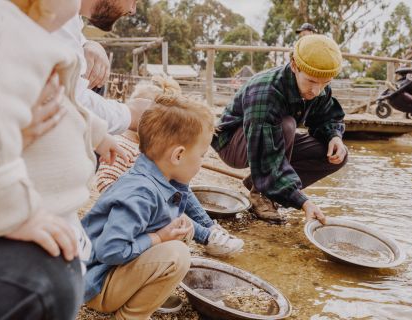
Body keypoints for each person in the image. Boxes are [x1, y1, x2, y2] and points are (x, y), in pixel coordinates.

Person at [0, 0, 127, 318]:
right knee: (50, 279)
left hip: (47, 207)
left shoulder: (33, 36)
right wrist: (13, 213)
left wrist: (99, 134)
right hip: (21, 209)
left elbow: (65, 105)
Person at [82, 93, 221, 319]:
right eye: (202, 155)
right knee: (177, 255)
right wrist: (159, 238)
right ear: (178, 155)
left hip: (103, 274)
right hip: (95, 282)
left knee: (175, 241)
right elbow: (111, 249)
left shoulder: (161, 180)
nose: (202, 162)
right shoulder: (142, 192)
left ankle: (135, 295)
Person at [94, 76, 244, 257]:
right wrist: (156, 235)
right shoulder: (125, 152)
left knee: (179, 191)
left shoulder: (150, 155)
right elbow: (105, 181)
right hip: (135, 215)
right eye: (201, 155)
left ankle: (211, 228)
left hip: (146, 204)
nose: (202, 161)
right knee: (169, 213)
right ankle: (206, 235)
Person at [212, 35, 348, 224]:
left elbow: (328, 116)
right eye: (311, 81)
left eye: (324, 83)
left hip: (272, 136)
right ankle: (262, 194)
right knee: (287, 125)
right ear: (294, 65)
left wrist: (334, 136)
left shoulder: (318, 87)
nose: (317, 91)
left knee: (336, 155)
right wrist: (303, 201)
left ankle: (263, 185)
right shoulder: (265, 92)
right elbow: (267, 155)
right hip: (233, 144)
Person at [53, 0, 144, 135]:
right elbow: (67, 101)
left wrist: (87, 43)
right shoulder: (53, 9)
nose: (132, 10)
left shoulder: (69, 16)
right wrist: (131, 115)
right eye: (134, 1)